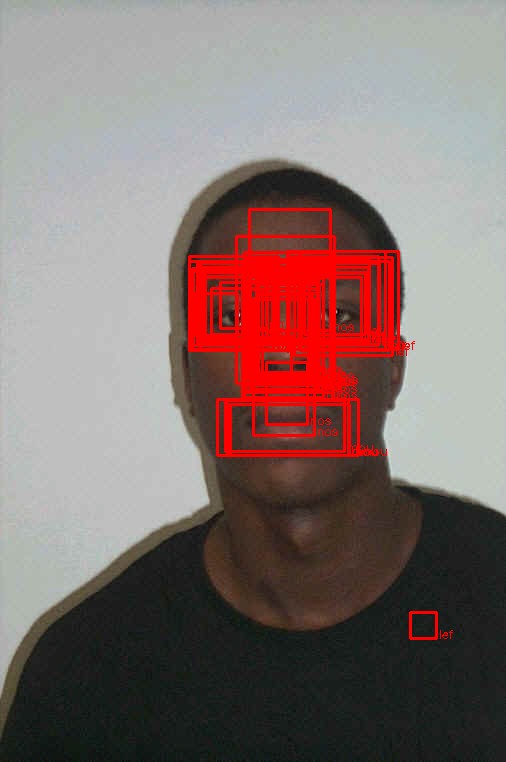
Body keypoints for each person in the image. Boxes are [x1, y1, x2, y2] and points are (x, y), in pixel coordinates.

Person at [1, 167, 504, 760]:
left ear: (392, 366)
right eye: (236, 319)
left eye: (335, 316)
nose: (284, 356)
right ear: (188, 375)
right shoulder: (83, 682)